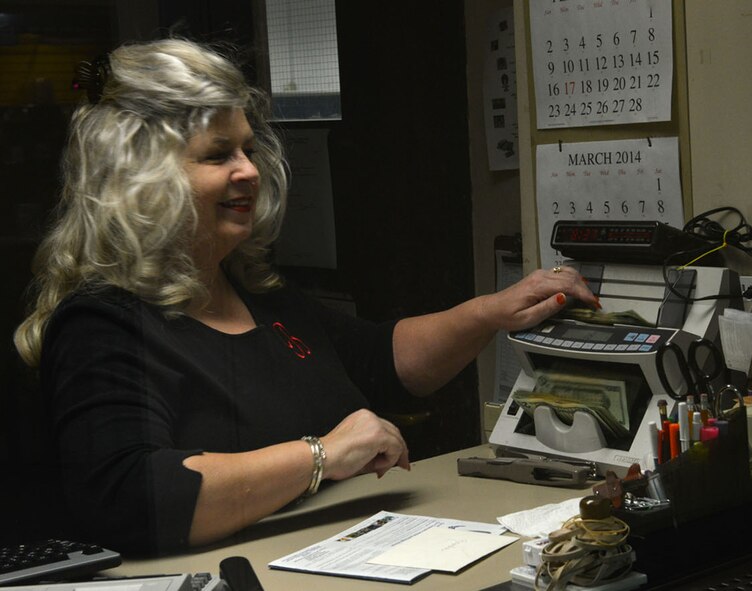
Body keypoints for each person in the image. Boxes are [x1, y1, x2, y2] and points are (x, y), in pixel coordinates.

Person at [13, 38, 598, 556]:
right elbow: (131, 498)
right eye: (218, 154)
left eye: (248, 150)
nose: (249, 171)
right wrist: (321, 455)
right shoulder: (101, 324)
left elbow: (379, 360)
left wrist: (490, 312)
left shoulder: (253, 292)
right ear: (140, 180)